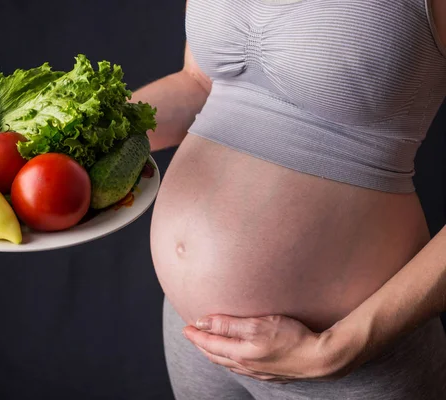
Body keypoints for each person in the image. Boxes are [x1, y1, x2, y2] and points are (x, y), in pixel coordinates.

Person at [130, 0, 446, 398]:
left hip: (350, 354)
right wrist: (84, 139)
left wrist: (337, 348)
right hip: (196, 337)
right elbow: (200, 82)